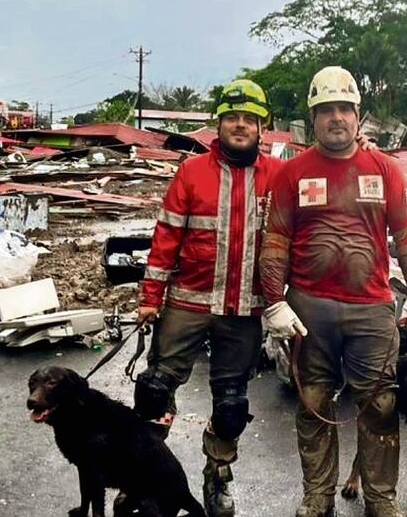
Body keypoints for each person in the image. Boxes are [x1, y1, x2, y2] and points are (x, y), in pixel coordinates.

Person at [259, 66, 407, 517]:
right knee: (314, 402)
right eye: (326, 110)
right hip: (309, 309)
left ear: (358, 116)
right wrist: (274, 300)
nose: (336, 118)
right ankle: (318, 495)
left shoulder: (386, 170)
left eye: (344, 109)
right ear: (313, 117)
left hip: (371, 307)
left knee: (380, 404)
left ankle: (381, 499)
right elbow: (275, 240)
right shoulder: (291, 173)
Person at [135, 79, 280, 517]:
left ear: (262, 126)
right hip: (188, 302)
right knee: (154, 391)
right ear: (219, 123)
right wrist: (150, 296)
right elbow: (166, 238)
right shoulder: (191, 172)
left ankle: (217, 478)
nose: (240, 125)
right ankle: (144, 477)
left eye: (249, 119)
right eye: (232, 117)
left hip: (244, 309)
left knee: (232, 403)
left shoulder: (280, 175)